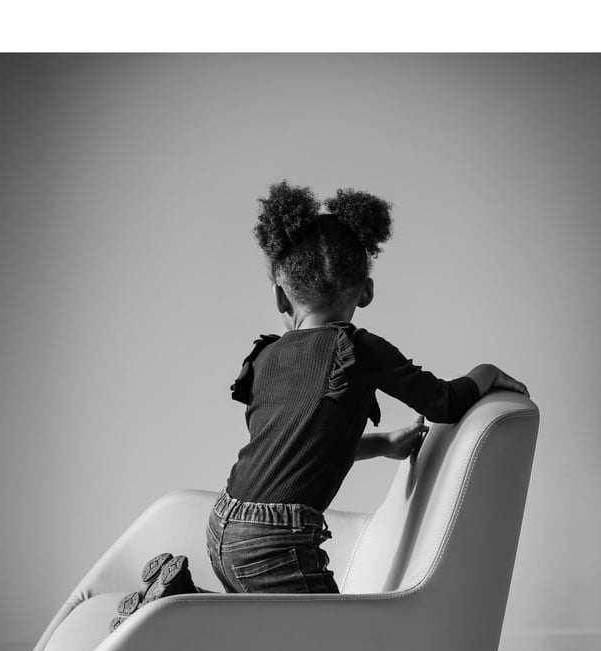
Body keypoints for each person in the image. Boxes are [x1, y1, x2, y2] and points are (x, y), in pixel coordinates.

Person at [205, 179, 529, 595]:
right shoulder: (356, 348)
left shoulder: (266, 357)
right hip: (274, 542)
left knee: (277, 646)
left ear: (280, 298)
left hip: (222, 528)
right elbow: (445, 403)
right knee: (336, 649)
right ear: (367, 292)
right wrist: (485, 372)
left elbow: (297, 447)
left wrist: (383, 443)